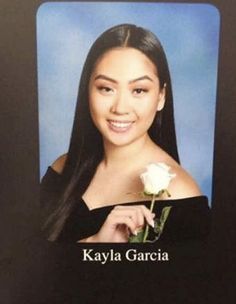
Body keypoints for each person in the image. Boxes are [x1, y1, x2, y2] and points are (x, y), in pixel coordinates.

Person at [41, 24, 210, 243]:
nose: (120, 107)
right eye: (106, 88)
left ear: (161, 96)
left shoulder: (183, 197)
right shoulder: (63, 168)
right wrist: (94, 243)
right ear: (87, 91)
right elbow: (24, 262)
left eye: (139, 90)